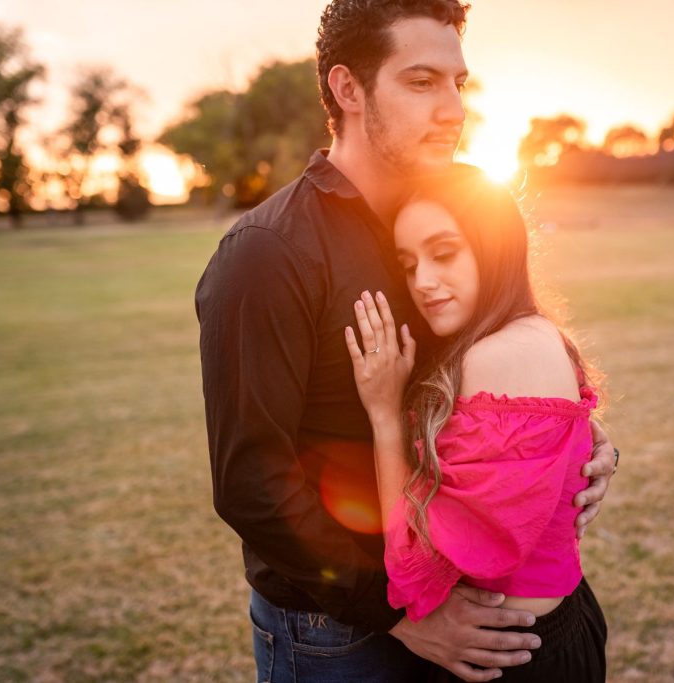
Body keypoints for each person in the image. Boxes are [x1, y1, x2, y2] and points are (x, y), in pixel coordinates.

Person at [194, 1, 618, 681]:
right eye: (421, 82)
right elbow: (251, 482)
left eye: (459, 84)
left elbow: (504, 360)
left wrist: (579, 447)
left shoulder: (446, 213)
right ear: (348, 89)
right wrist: (398, 612)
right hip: (339, 631)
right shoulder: (267, 254)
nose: (453, 110)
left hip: (464, 606)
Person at [344, 165, 609, 682]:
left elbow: (419, 561)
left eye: (444, 253)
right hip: (539, 636)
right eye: (408, 264)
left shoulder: (497, 355)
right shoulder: (527, 332)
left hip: (512, 660)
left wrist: (383, 412)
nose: (423, 281)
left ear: (494, 249)